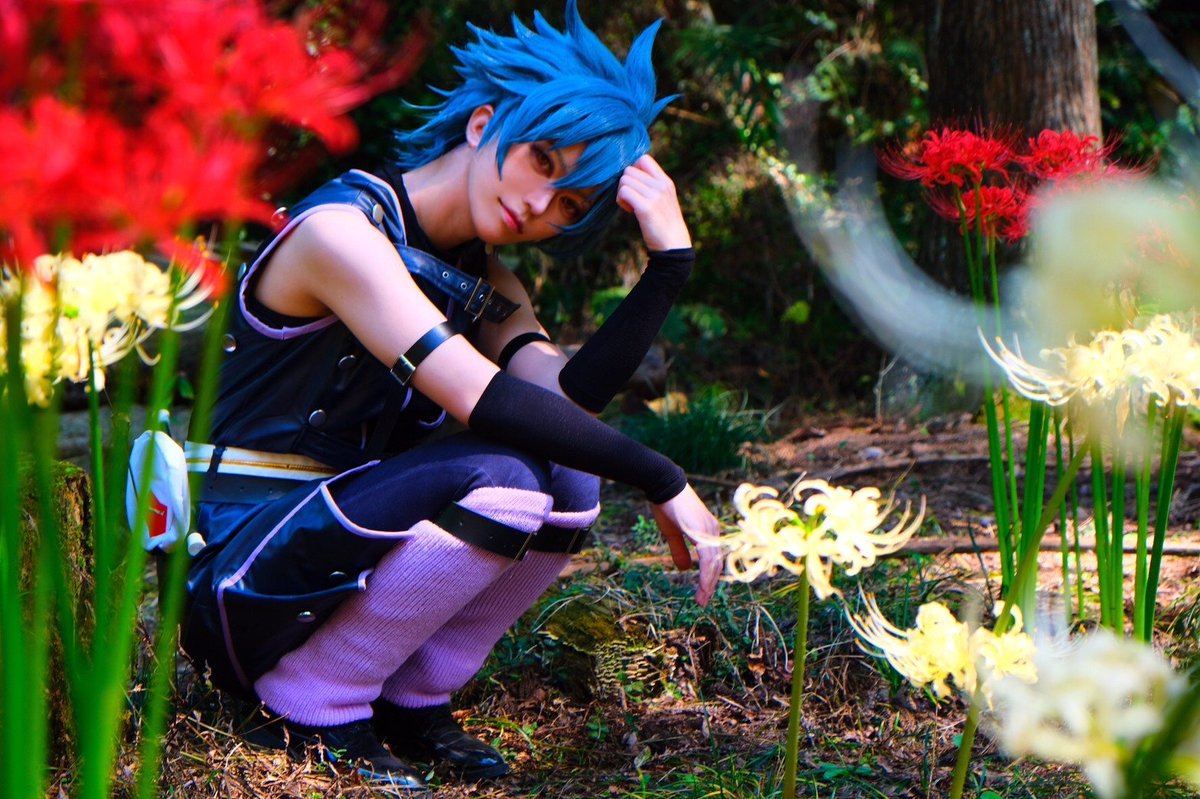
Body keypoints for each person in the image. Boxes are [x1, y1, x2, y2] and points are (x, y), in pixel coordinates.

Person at [181, 0, 721, 791]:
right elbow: (481, 396)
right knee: (504, 478)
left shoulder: (484, 278)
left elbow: (563, 406)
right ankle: (312, 698)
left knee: (569, 474)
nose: (539, 206)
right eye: (542, 160)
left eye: (569, 206)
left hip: (333, 555)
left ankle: (411, 695)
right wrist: (662, 476)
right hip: (239, 575)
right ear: (483, 124)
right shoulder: (340, 233)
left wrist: (668, 268)